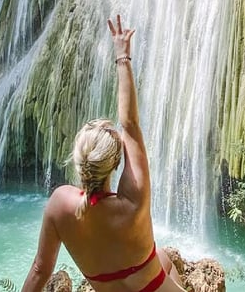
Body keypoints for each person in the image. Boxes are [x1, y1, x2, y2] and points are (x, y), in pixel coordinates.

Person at [21, 15, 186, 292]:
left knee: (164, 258)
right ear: (116, 163)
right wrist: (122, 57)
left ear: (77, 161)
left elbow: (39, 270)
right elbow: (130, 124)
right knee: (161, 262)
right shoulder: (133, 202)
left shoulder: (60, 205)